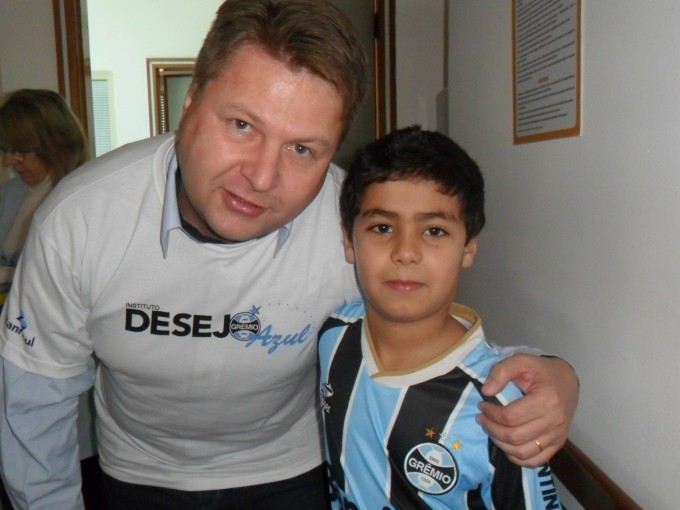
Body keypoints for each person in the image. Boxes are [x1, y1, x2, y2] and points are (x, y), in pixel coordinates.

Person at [0, 1, 577, 509]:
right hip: (137, 474)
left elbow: (423, 319)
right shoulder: (80, 221)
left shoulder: (349, 226)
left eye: (303, 148)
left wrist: (553, 373)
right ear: (191, 101)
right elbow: (35, 399)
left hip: (296, 473)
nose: (261, 176)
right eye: (243, 124)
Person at [319, 125, 561, 509]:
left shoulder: (499, 406)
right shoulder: (334, 336)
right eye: (382, 227)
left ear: (468, 248)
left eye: (434, 230)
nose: (406, 252)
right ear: (350, 241)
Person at [0, 89, 88, 299]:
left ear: (53, 143)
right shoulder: (8, 193)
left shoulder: (85, 199)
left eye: (20, 151)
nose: (8, 162)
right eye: (5, 150)